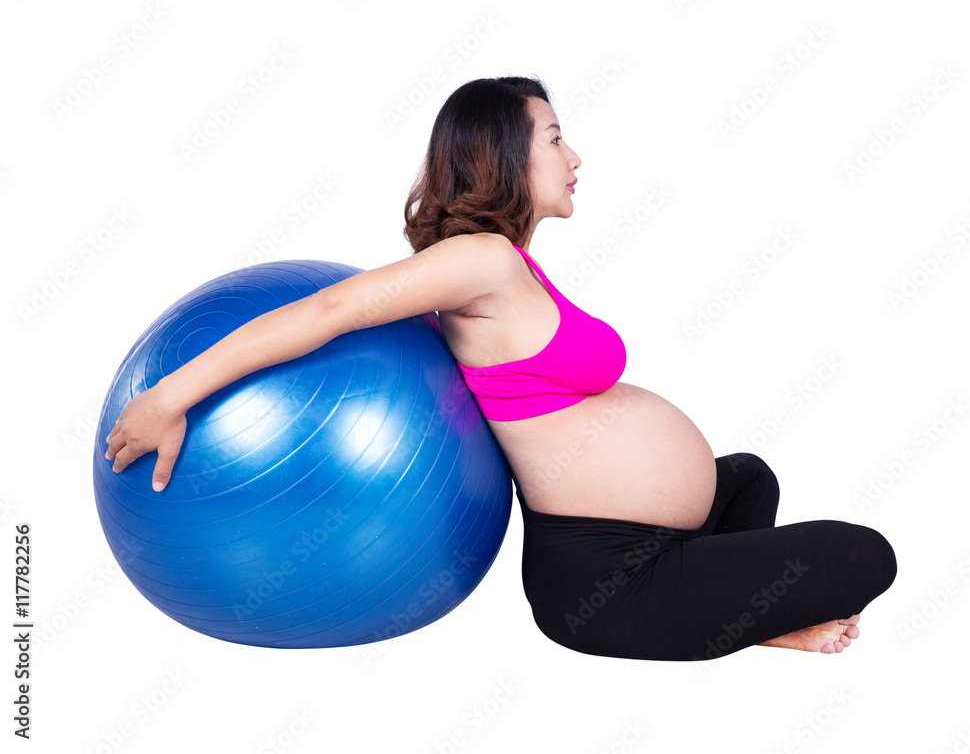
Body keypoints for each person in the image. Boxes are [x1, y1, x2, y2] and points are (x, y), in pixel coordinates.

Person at [104, 75, 897, 662]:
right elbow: (327, 312)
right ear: (503, 152)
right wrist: (170, 394)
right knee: (865, 554)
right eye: (554, 136)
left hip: (648, 540)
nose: (574, 153)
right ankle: (751, 623)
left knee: (748, 477)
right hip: (605, 577)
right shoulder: (479, 259)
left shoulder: (505, 263)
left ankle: (730, 613)